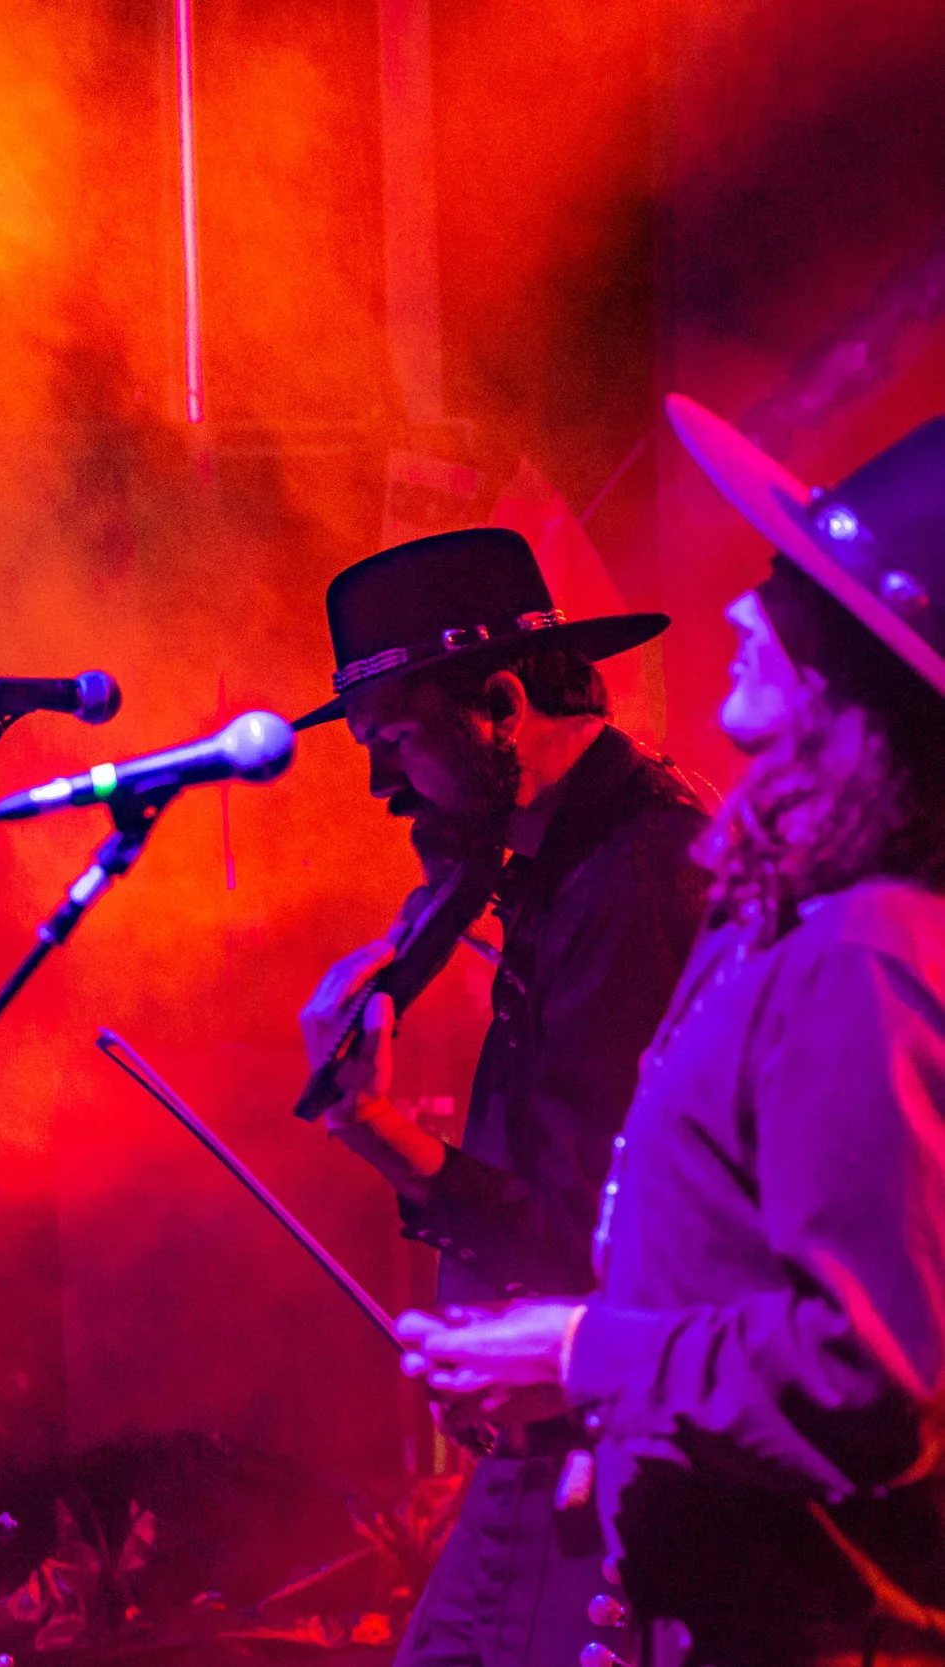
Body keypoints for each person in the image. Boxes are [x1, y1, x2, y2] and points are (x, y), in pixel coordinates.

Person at [396, 401, 945, 1665]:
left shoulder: (860, 954)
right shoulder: (790, 919)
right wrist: (621, 1421)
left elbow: (870, 1372)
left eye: (788, 592)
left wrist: (579, 1352)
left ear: (864, 664)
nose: (738, 608)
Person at [293, 529, 711, 1664]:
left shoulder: (634, 887)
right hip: (549, 1448)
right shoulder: (571, 865)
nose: (381, 787)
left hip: (609, 1454)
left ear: (500, 705)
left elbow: (581, 1241)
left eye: (394, 741)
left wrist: (375, 1129)